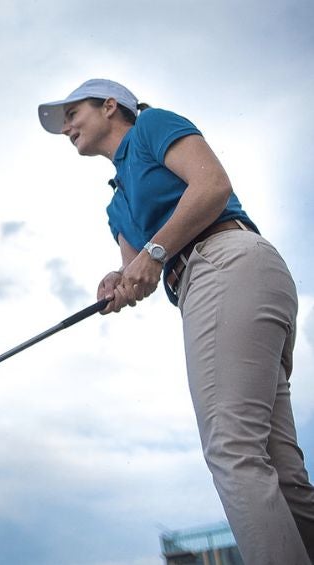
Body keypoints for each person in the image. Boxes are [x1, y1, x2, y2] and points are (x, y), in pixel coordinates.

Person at [37, 78, 314, 564]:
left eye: (73, 113)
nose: (66, 127)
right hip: (205, 285)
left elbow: (212, 185)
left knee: (232, 451)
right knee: (281, 474)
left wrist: (155, 252)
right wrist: (116, 282)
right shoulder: (115, 201)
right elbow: (135, 271)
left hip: (226, 262)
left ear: (110, 106)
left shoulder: (153, 126)